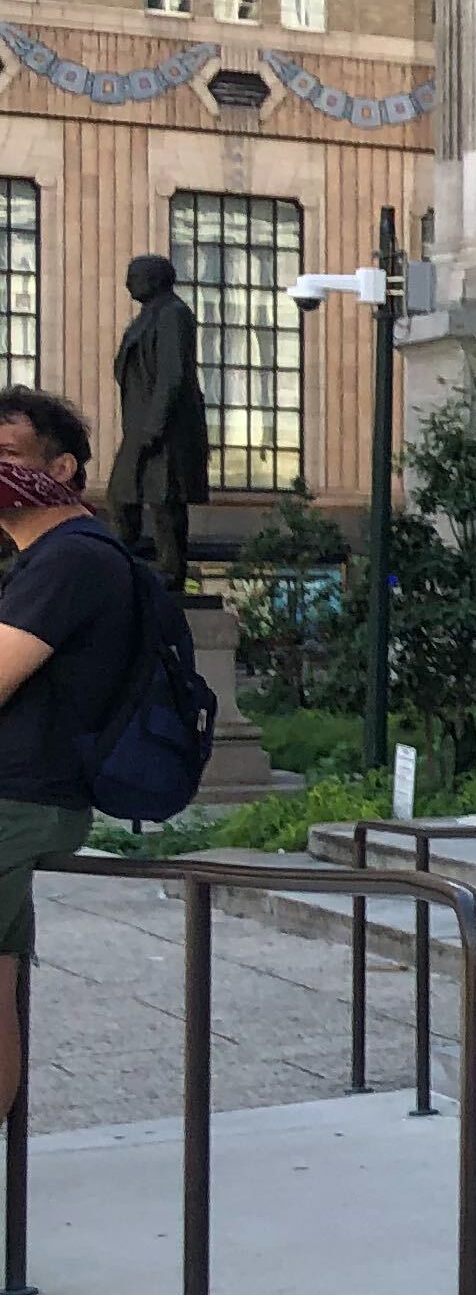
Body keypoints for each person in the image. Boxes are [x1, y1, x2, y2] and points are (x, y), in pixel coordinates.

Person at [0, 389, 140, 1122]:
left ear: (63, 468)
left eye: (7, 459)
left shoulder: (69, 561)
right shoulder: (50, 561)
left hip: (18, 802)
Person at [111, 254, 206, 587]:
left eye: (133, 276)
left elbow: (172, 375)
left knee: (166, 500)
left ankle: (170, 570)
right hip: (141, 424)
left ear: (155, 280)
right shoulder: (147, 317)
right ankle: (124, 566)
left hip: (164, 428)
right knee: (122, 496)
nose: (127, 284)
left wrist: (154, 426)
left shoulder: (173, 315)